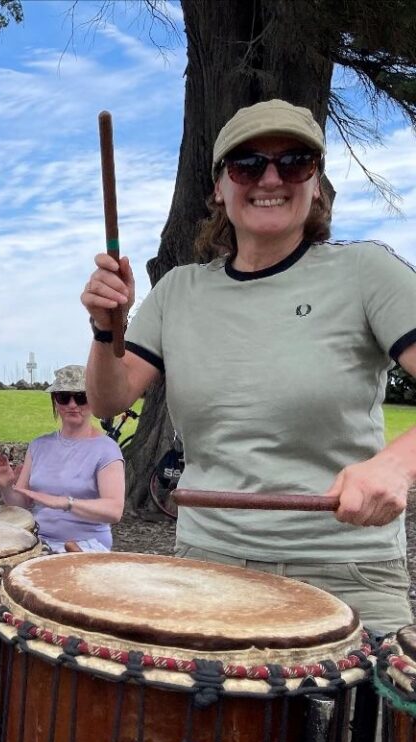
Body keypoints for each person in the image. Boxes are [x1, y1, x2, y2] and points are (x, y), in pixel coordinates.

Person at [82, 98, 416, 635]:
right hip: (207, 565)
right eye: (247, 164)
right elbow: (109, 399)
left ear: (317, 183)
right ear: (219, 187)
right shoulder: (178, 292)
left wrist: (395, 466)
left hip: (346, 571)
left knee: (359, 721)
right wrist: (105, 329)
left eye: (295, 162)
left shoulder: (366, 272)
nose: (271, 177)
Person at [0, 364, 124, 552]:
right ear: (55, 401)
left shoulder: (106, 449)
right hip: (39, 542)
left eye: (81, 397)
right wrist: (7, 485)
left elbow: (114, 511)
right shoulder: (39, 445)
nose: (72, 405)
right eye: (64, 397)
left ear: (94, 400)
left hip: (86, 544)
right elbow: (21, 505)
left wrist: (66, 503)